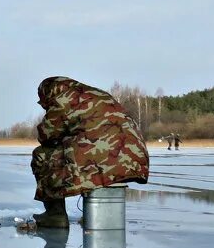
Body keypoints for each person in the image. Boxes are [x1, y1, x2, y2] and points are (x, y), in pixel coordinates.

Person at [30, 76, 150, 228]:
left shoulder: (63, 98)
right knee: (84, 155)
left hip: (104, 159)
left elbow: (46, 135)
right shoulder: (99, 94)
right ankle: (92, 214)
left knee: (41, 155)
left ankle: (55, 216)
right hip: (135, 160)